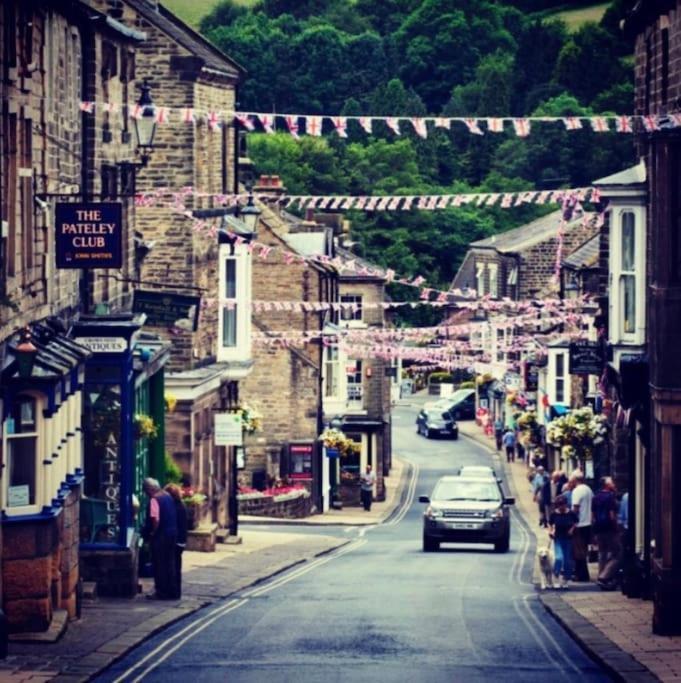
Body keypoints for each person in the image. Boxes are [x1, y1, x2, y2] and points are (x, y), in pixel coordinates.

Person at [142, 478, 178, 600]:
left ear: (150, 489)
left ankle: (161, 592)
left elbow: (155, 520)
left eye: (145, 491)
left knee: (159, 565)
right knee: (170, 564)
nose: (146, 494)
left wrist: (152, 533)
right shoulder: (168, 496)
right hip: (172, 534)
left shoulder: (154, 500)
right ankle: (171, 591)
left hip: (161, 536)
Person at [591, 477, 621, 589]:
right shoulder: (610, 497)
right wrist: (616, 528)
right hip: (609, 529)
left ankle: (600, 576)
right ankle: (604, 576)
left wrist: (594, 531)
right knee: (617, 554)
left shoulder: (595, 497)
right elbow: (612, 516)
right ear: (606, 485)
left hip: (599, 529)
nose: (614, 484)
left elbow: (593, 516)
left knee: (602, 553)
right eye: (612, 482)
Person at [548, 494, 578, 589]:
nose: (561, 507)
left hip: (568, 539)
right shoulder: (554, 514)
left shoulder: (571, 513)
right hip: (558, 538)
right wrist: (551, 531)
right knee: (559, 558)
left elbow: (576, 522)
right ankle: (556, 576)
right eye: (559, 505)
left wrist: (572, 529)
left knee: (567, 561)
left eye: (563, 504)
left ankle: (566, 579)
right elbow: (550, 523)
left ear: (566, 504)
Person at [165, 483, 188, 599]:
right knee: (177, 568)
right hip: (181, 540)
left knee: (171, 568)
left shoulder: (174, 506)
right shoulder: (182, 505)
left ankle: (172, 593)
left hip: (175, 541)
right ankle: (176, 592)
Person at [571, 471, 593, 582]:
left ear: (575, 480)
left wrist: (572, 523)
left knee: (578, 551)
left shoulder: (577, 491)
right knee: (583, 550)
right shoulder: (589, 489)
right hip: (587, 523)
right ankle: (583, 574)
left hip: (579, 524)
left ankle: (581, 575)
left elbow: (575, 509)